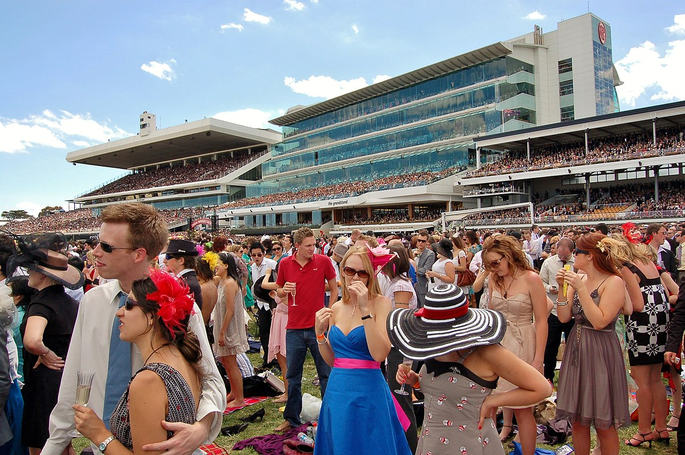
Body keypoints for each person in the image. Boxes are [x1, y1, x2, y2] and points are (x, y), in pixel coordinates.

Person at [42, 203, 225, 455]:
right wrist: (57, 441)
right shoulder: (92, 302)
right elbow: (73, 375)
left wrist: (201, 429)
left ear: (139, 254)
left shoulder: (178, 304)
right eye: (97, 242)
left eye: (106, 246)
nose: (95, 252)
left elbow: (210, 377)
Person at [388, 284, 552, 455]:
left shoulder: (487, 353)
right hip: (433, 441)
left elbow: (542, 388)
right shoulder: (432, 345)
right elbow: (444, 392)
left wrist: (493, 401)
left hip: (471, 442)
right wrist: (415, 380)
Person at [72, 269, 201, 453]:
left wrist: (99, 434)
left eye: (129, 305)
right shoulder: (181, 357)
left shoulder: (149, 380)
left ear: (151, 316)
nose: (119, 313)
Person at [313, 246, 410, 455]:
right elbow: (333, 360)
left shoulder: (381, 304)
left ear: (371, 275)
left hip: (368, 389)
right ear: (342, 270)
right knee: (341, 442)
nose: (355, 277)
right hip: (338, 389)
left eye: (362, 272)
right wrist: (319, 335)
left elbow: (379, 354)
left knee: (370, 444)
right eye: (350, 271)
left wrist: (366, 310)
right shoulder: (337, 308)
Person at [555, 233, 631, 455]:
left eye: (577, 251)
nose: (573, 255)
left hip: (600, 351)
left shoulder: (614, 282)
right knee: (578, 419)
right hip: (577, 349)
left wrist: (579, 289)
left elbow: (600, 321)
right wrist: (561, 288)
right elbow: (562, 317)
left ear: (591, 256)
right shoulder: (580, 277)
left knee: (603, 421)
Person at [8, 234, 83, 454]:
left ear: (44, 275)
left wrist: (45, 352)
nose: (29, 272)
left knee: (41, 443)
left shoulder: (41, 303)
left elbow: (32, 339)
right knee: (62, 441)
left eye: (32, 269)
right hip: (64, 379)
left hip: (43, 382)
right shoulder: (69, 302)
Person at [481, 235, 548, 454]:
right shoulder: (493, 278)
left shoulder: (531, 279)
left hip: (523, 343)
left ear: (508, 255)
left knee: (523, 409)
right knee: (489, 402)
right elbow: (491, 316)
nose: (493, 268)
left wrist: (538, 359)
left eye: (495, 262)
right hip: (498, 344)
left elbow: (541, 320)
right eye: (489, 264)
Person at [275, 227, 338, 432]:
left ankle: (331, 416)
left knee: (325, 373)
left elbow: (334, 286)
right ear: (297, 246)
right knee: (293, 375)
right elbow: (279, 290)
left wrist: (331, 310)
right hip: (294, 327)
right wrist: (284, 290)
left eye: (314, 245)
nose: (313, 249)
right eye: (309, 246)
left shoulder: (323, 261)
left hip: (317, 327)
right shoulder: (285, 263)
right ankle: (291, 418)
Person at [618, 237, 670, 447]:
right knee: (655, 378)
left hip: (642, 324)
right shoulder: (649, 264)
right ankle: (662, 428)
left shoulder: (627, 268)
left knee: (641, 381)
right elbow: (665, 293)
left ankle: (644, 431)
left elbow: (633, 302)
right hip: (660, 322)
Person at [380, 244, 418, 452]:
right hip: (395, 348)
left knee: (402, 401)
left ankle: (410, 447)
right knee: (398, 400)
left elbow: (401, 322)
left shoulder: (401, 286)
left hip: (401, 350)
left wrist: (406, 362)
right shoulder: (395, 283)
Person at [213, 253, 249, 409]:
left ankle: (239, 398)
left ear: (226, 265)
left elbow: (230, 311)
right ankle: (234, 392)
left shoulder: (230, 284)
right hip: (222, 324)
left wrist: (222, 332)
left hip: (229, 326)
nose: (215, 267)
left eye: (218, 263)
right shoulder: (221, 281)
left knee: (231, 362)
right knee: (225, 361)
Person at [539, 237, 575, 383]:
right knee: (550, 347)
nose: (562, 257)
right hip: (553, 310)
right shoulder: (549, 263)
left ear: (572, 252)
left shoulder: (577, 263)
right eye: (560, 254)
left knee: (573, 348)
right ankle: (548, 377)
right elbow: (541, 281)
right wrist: (549, 288)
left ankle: (571, 378)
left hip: (572, 311)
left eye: (565, 255)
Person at [249, 242, 277, 368]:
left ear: (264, 254)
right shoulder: (253, 267)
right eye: (253, 255)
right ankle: (267, 359)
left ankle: (275, 360)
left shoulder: (271, 264)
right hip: (261, 304)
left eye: (259, 254)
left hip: (272, 303)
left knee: (274, 333)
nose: (256, 257)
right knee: (264, 332)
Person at [164, 239, 203, 311]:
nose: (164, 261)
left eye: (168, 257)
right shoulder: (187, 280)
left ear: (181, 261)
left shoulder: (186, 284)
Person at [414, 230, 435, 308]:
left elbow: (425, 270)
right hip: (412, 285)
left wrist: (413, 271)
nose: (420, 243)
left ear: (426, 242)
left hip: (422, 285)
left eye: (423, 241)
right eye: (419, 240)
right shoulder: (413, 252)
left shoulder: (430, 254)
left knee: (423, 308)